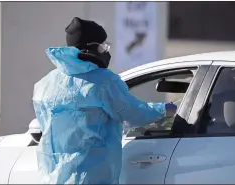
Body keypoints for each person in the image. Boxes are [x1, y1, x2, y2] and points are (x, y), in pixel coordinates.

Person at [32, 17, 177, 184]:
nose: (105, 51)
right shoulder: (104, 82)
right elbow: (133, 113)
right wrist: (165, 110)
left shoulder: (44, 84)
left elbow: (45, 127)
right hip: (92, 176)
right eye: (103, 46)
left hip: (53, 177)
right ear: (91, 48)